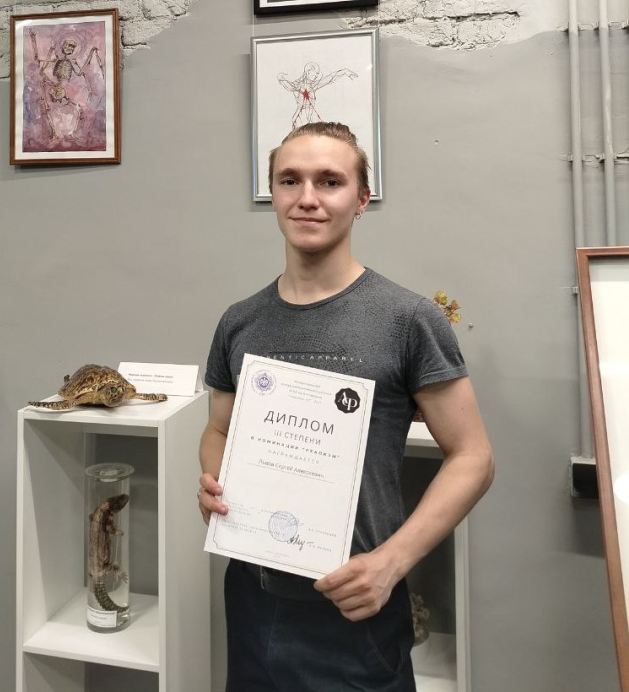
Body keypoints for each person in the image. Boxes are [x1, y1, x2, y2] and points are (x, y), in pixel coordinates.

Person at [199, 121, 494, 692]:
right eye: (290, 180)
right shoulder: (239, 321)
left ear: (361, 199)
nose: (307, 198)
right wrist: (215, 486)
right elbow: (218, 430)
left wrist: (391, 563)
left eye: (330, 181)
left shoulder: (408, 320)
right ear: (272, 194)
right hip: (254, 596)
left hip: (357, 607)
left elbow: (474, 458)